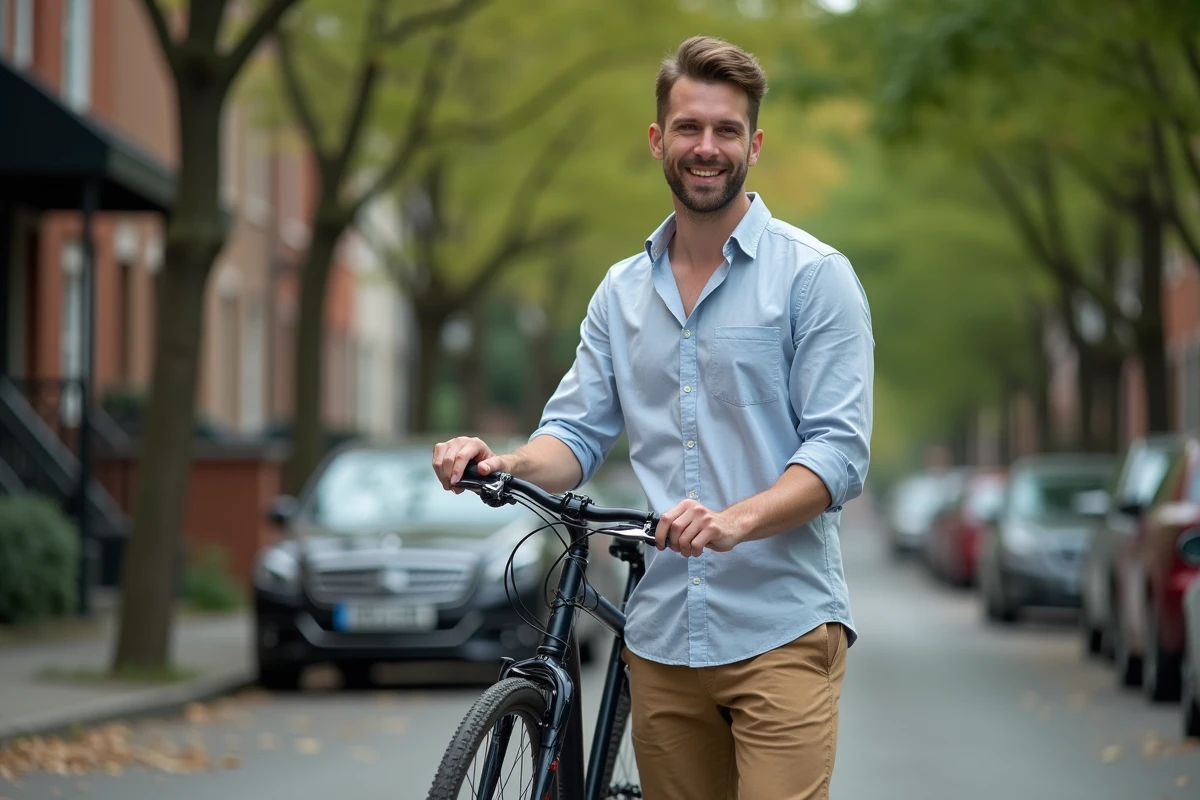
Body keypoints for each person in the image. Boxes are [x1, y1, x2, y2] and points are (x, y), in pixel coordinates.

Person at [432, 35, 873, 800]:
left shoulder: (814, 278)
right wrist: (504, 462)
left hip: (782, 628)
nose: (707, 147)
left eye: (726, 130)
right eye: (689, 128)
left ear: (755, 145)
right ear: (658, 139)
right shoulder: (620, 294)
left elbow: (839, 453)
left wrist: (735, 521)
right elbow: (573, 435)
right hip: (664, 638)